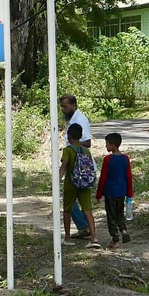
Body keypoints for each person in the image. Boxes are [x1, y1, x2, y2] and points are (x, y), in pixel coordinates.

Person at [60, 123, 101, 248]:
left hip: (71, 184)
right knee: (87, 210)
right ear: (80, 136)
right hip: (85, 183)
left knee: (67, 210)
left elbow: (64, 167)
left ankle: (67, 237)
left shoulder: (68, 150)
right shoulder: (86, 151)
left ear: (69, 136)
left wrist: (56, 180)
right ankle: (94, 238)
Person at [60, 94, 92, 240]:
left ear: (73, 105)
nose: (63, 109)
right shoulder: (73, 119)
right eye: (61, 106)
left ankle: (84, 228)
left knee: (71, 203)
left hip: (79, 169)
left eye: (65, 106)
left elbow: (87, 142)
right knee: (76, 203)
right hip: (76, 168)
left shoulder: (80, 120)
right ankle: (87, 230)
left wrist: (73, 147)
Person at [95, 132, 133, 248]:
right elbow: (129, 177)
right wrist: (129, 193)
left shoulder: (108, 159)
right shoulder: (125, 159)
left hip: (110, 192)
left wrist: (99, 194)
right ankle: (124, 230)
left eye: (107, 144)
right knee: (119, 213)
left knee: (111, 216)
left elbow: (103, 178)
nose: (106, 146)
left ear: (113, 145)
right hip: (121, 191)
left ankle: (115, 239)